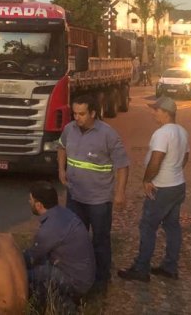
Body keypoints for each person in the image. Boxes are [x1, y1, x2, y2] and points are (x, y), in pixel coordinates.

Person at [57, 94, 129, 290]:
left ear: (93, 113)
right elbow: (61, 147)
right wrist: (61, 169)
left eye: (82, 114)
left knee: (100, 239)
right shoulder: (69, 129)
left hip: (99, 200)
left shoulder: (108, 134)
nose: (77, 118)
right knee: (75, 238)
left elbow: (122, 165)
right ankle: (77, 274)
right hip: (75, 196)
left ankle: (101, 279)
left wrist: (120, 193)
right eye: (75, 113)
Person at [118, 97, 189, 282]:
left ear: (165, 112)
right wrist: (175, 171)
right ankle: (170, 266)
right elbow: (185, 157)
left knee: (148, 227)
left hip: (162, 187)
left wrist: (147, 180)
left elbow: (156, 159)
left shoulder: (162, 133)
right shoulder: (182, 131)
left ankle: (141, 269)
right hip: (178, 185)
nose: (152, 113)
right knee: (172, 226)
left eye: (155, 110)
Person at [24, 181, 95, 302]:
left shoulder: (50, 228)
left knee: (23, 275)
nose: (29, 202)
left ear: (39, 205)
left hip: (75, 282)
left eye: (31, 199)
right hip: (83, 275)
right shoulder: (63, 213)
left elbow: (30, 257)